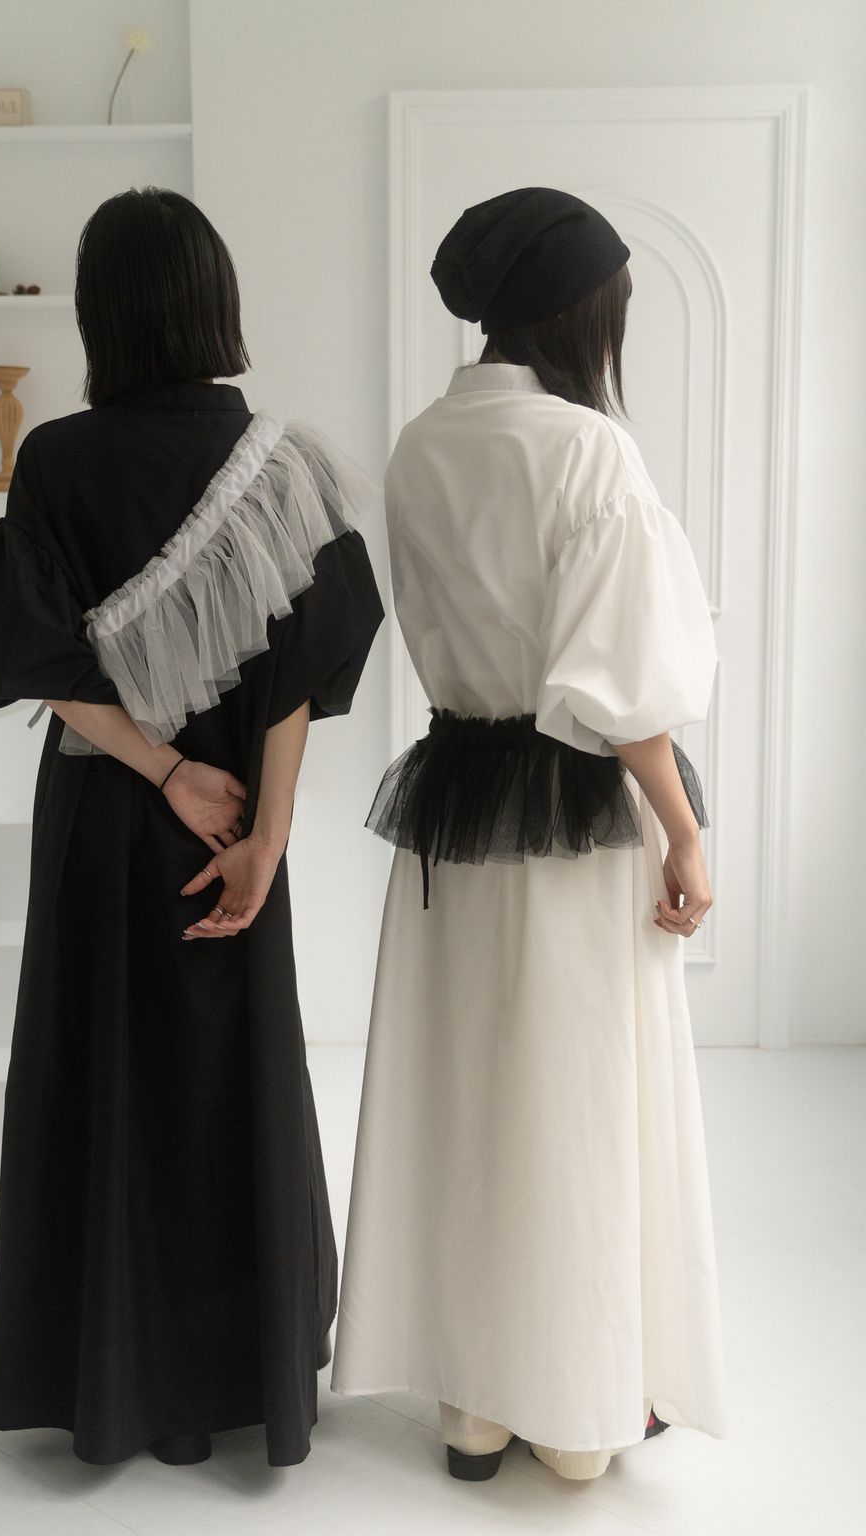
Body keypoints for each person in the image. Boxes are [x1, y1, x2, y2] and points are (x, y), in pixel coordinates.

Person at [0, 187, 384, 1468]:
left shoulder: (56, 460)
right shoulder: (281, 464)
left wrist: (160, 773)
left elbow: (36, 659)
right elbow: (301, 675)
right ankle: (237, 1371)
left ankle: (109, 1376)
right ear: (214, 301)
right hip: (239, 822)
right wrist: (265, 837)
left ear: (103, 314)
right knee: (228, 1079)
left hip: (106, 817)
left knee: (102, 1074)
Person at [331, 187, 726, 1482]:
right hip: (574, 811)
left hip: (457, 799)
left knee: (472, 1092)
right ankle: (577, 1414)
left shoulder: (419, 445)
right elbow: (620, 688)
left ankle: (473, 1406)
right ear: (580, 314)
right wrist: (685, 833)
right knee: (576, 1098)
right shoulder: (586, 450)